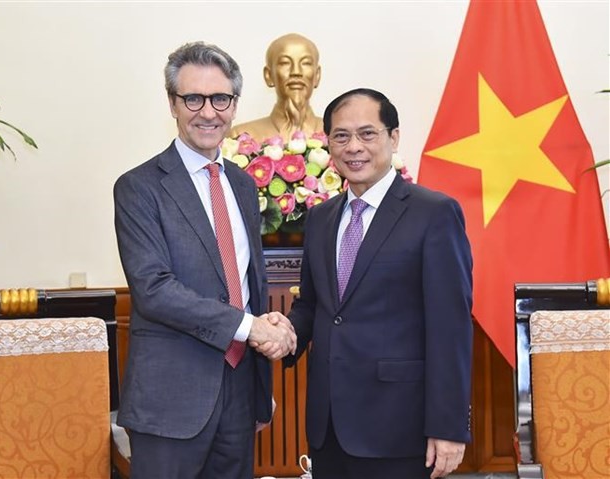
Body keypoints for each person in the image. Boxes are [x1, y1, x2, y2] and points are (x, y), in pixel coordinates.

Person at [257, 88, 473, 479]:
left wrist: (448, 426)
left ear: (393, 137)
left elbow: (451, 327)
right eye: (341, 136)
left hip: (400, 427)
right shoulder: (321, 218)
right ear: (328, 144)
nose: (353, 147)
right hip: (329, 426)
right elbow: (314, 305)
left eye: (367, 134)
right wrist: (287, 331)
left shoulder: (434, 213)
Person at [113, 41, 296, 479]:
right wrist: (252, 327)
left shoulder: (243, 185)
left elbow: (247, 283)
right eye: (193, 98)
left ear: (233, 106)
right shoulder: (139, 188)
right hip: (171, 399)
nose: (208, 112)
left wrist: (260, 377)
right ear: (173, 104)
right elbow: (154, 290)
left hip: (238, 391)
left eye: (220, 99)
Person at [230, 33, 323, 142]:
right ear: (268, 75)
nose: (296, 72)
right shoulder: (241, 138)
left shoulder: (336, 136)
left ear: (317, 75)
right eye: (285, 63)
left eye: (306, 63)